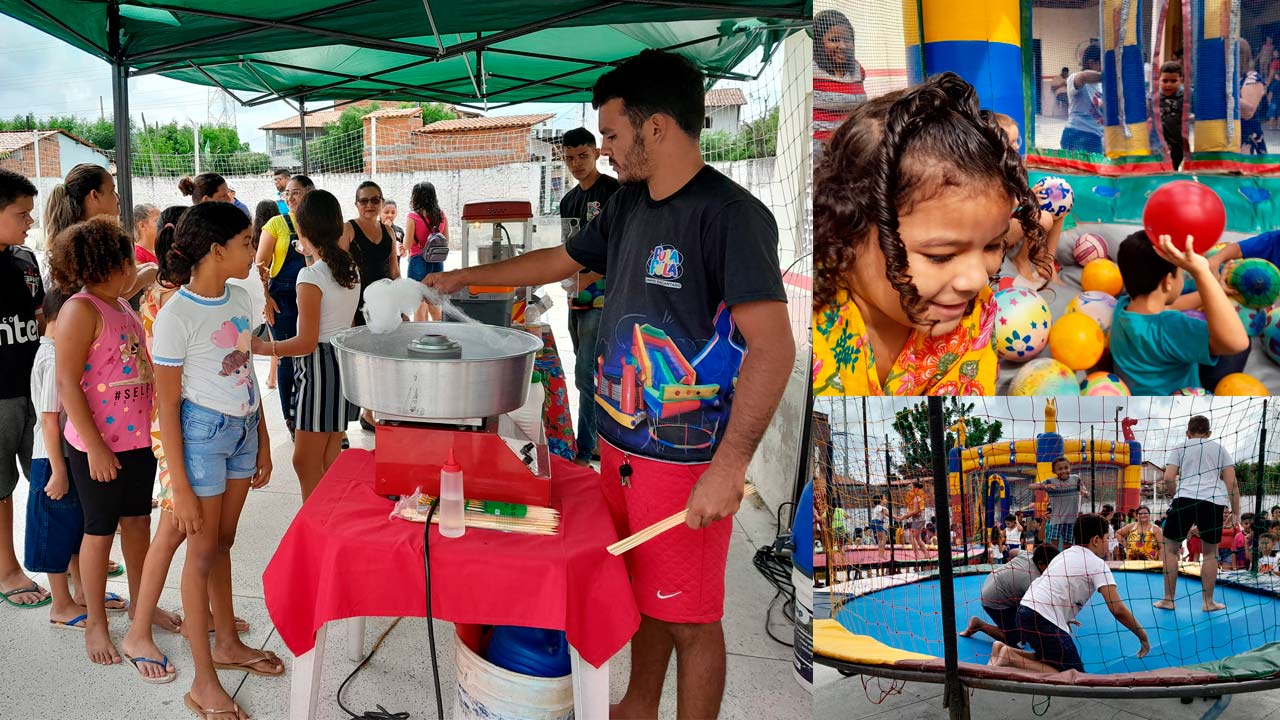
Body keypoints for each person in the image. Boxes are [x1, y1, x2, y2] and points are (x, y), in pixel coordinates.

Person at [424, 50, 793, 719]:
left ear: (655, 128)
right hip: (622, 451)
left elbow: (773, 347)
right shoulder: (626, 205)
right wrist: (465, 278)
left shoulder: (729, 215)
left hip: (687, 460)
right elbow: (561, 259)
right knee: (646, 591)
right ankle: (639, 703)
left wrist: (731, 465)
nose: (607, 151)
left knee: (692, 619)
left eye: (614, 135)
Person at [811, 73, 1046, 396]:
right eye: (940, 256)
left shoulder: (972, 317)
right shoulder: (805, 325)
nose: (976, 279)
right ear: (846, 230)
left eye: (994, 245)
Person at [148, 201, 280, 708]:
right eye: (247, 243)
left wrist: (263, 438)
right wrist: (177, 482)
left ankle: (226, 643)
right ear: (216, 250)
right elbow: (167, 404)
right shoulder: (175, 314)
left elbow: (245, 370)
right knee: (201, 552)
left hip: (244, 430)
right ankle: (202, 680)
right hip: (201, 437)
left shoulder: (242, 297)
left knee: (223, 541)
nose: (255, 251)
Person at [48, 216, 156, 666]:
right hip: (99, 448)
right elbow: (67, 383)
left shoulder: (123, 305)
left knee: (137, 526)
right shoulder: (81, 309)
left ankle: (140, 608)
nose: (132, 267)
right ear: (105, 266)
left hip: (136, 444)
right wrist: (94, 446)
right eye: (126, 261)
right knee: (98, 533)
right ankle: (96, 620)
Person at [253, 190, 359, 500]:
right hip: (342, 362)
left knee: (305, 460)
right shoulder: (349, 267)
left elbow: (307, 342)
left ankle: (315, 527)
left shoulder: (311, 275)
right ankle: (329, 521)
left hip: (319, 368)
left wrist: (263, 348)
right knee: (329, 455)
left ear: (303, 230)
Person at [990, 514, 1149, 673]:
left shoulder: (1064, 554)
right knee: (1072, 674)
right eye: (1107, 538)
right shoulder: (1097, 564)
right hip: (1042, 618)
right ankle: (1008, 659)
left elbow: (1051, 586)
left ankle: (1006, 652)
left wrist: (1062, 615)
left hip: (1025, 611)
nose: (1108, 543)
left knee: (1050, 660)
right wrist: (1142, 635)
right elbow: (1117, 609)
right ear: (1095, 540)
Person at [23, 285, 92, 629]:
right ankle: (60, 603)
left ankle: (81, 591)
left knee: (73, 526)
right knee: (54, 527)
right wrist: (59, 470)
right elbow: (49, 420)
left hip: (66, 455)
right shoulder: (51, 358)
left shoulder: (61, 352)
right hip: (51, 459)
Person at [1111, 231, 1249, 394]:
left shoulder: (1123, 307)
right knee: (1238, 342)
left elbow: (1167, 308)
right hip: (1177, 401)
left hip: (1141, 391)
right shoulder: (1173, 327)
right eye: (1182, 272)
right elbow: (1238, 343)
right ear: (1168, 281)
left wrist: (1216, 289)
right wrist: (1201, 273)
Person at [0, 169, 51, 609]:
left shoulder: (25, 260)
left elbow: (39, 318)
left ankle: (65, 560)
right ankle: (7, 569)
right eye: (21, 214)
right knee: (0, 489)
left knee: (50, 476)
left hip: (34, 391)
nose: (29, 222)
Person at [558, 127, 621, 466]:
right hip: (576, 297)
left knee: (587, 373)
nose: (576, 164)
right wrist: (568, 281)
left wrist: (592, 276)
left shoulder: (614, 191)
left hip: (604, 297)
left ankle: (586, 448)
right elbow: (566, 249)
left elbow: (623, 247)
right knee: (583, 372)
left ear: (596, 153)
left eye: (582, 156)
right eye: (569, 158)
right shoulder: (568, 200)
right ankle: (593, 443)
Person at [1155, 414, 1240, 612]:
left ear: (1188, 433)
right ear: (1209, 433)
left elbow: (1168, 477)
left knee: (1170, 549)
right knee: (1211, 552)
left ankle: (1168, 599)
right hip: (1211, 502)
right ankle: (1208, 602)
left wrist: (1178, 495)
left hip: (1184, 498)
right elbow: (1232, 482)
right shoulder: (1219, 449)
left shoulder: (1180, 447)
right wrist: (1236, 511)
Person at [255, 174, 315, 437]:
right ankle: (290, 419)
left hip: (313, 296)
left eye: (297, 192)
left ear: (310, 194)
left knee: (312, 356)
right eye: (287, 193)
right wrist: (265, 298)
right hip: (282, 301)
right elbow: (260, 265)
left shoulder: (316, 224)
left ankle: (309, 412)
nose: (290, 197)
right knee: (287, 359)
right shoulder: (276, 224)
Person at [45, 163, 156, 300]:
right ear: (95, 196)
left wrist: (148, 269)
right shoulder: (84, 243)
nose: (118, 197)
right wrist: (146, 276)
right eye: (112, 191)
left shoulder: (97, 237)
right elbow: (106, 294)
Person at [959, 544, 1060, 644]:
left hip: (992, 581)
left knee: (1024, 625)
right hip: (995, 600)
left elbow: (1012, 552)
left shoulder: (1027, 555)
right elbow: (1039, 607)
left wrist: (1011, 567)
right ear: (1041, 564)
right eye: (1052, 566)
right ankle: (978, 624)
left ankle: (1015, 627)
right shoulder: (1033, 580)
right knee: (1015, 639)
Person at [812, 10, 866, 154]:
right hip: (820, 147)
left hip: (851, 142)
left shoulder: (856, 69)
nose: (842, 46)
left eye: (847, 40)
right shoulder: (812, 69)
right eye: (834, 40)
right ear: (818, 42)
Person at [347, 181, 400, 328]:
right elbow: (339, 272)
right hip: (356, 303)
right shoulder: (348, 229)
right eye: (364, 201)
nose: (369, 205)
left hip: (385, 302)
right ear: (356, 204)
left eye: (375, 200)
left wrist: (401, 305)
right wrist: (347, 315)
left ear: (382, 203)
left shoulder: (389, 231)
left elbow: (394, 271)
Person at [404, 181, 448, 322]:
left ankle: (421, 337)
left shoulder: (413, 216)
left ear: (415, 197)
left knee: (419, 302)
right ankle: (440, 333)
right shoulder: (441, 215)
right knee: (434, 302)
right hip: (437, 263)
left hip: (418, 261)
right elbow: (446, 240)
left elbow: (407, 244)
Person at [252, 201, 282, 389]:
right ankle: (272, 376)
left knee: (270, 336)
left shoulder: (254, 238)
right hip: (272, 287)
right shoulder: (277, 232)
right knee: (275, 340)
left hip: (260, 289)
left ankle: (271, 378)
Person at [1061, 42, 1104, 153]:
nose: (1105, 67)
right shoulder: (1074, 78)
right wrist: (1109, 76)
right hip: (1077, 134)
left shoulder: (1101, 85)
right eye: (1102, 63)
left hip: (1095, 136)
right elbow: (1083, 77)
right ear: (1091, 63)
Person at [1039, 457, 1088, 550]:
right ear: (1054, 471)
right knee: (1054, 543)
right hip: (1057, 518)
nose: (1064, 471)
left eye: (1066, 468)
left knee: (1068, 544)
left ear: (1070, 468)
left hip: (1071, 518)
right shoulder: (1051, 481)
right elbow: (1032, 486)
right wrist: (1045, 485)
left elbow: (1086, 493)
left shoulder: (1076, 479)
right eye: (1060, 469)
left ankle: (1065, 560)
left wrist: (1084, 493)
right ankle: (1054, 558)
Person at [1158, 62, 1189, 170]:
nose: (1169, 85)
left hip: (1178, 141)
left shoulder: (1186, 97)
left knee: (1174, 165)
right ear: (1159, 80)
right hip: (1160, 141)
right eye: (1165, 81)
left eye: (1173, 81)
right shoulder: (1155, 98)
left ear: (1181, 80)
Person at [1240, 41, 1269, 155]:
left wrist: (1226, 95)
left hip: (1247, 136)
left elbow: (1248, 112)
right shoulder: (1223, 78)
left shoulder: (1252, 78)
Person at [898, 482, 928, 555]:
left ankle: (917, 554)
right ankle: (925, 554)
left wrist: (904, 516)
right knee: (917, 538)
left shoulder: (916, 498)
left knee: (912, 537)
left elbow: (915, 511)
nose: (909, 489)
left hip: (919, 520)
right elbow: (916, 511)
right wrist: (907, 515)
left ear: (916, 489)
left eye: (911, 488)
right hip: (920, 520)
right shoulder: (916, 498)